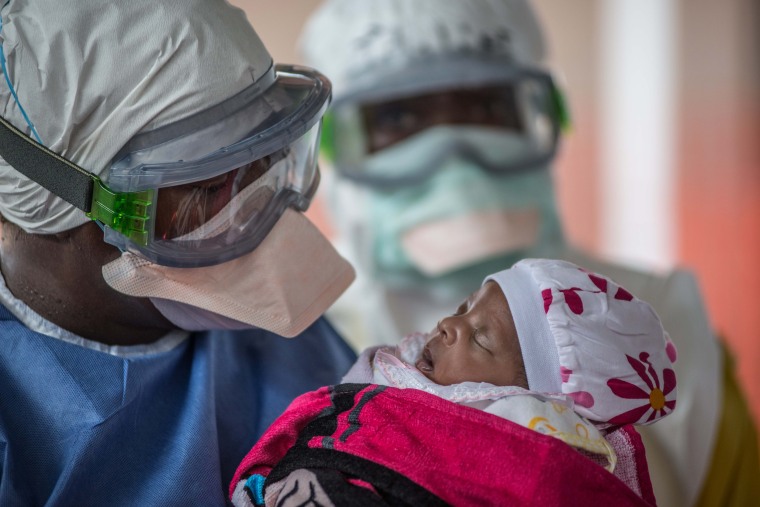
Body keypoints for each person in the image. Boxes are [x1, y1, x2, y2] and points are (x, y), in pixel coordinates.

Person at [299, 1, 759, 505]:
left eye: (486, 107)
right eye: (399, 116)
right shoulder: (291, 337)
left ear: (545, 116)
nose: (453, 150)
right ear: (334, 147)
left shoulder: (672, 339)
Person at [0, 1, 359, 505]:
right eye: (211, 188)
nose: (265, 210)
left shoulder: (266, 327)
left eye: (272, 155)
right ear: (57, 207)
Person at [229, 259, 676, 506]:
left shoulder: (528, 458)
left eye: (481, 339)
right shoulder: (386, 376)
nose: (448, 325)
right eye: (464, 307)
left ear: (528, 403)